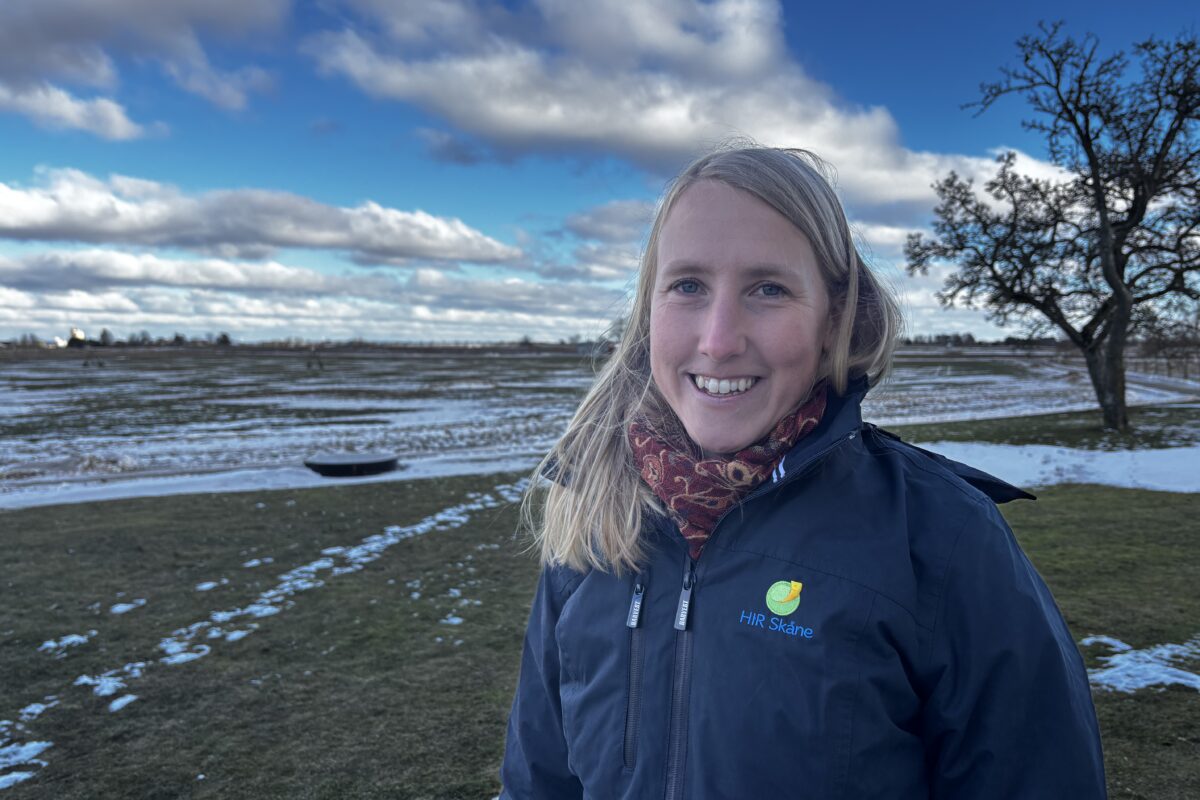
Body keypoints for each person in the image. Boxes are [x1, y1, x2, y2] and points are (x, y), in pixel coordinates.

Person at [500, 147, 1106, 798]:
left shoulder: (942, 537)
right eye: (688, 286)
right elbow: (538, 784)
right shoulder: (593, 523)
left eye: (768, 288)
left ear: (833, 318)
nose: (719, 339)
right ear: (648, 312)